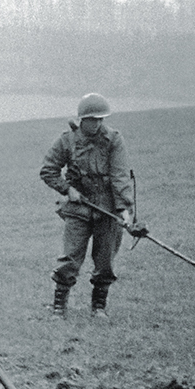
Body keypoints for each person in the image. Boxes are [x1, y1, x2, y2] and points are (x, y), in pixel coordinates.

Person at [40, 93, 134, 318]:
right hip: (78, 207)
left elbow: (120, 175)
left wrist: (124, 209)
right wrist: (67, 189)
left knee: (105, 261)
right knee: (70, 258)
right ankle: (59, 307)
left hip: (108, 208)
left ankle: (99, 307)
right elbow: (48, 170)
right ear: (82, 119)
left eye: (102, 119)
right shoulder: (67, 141)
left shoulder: (114, 140)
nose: (98, 123)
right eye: (93, 119)